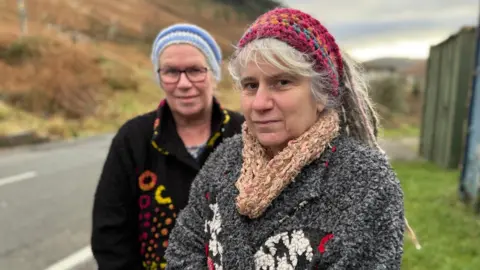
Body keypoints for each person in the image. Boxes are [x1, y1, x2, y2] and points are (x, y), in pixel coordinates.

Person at [164, 8, 419, 269]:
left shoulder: (366, 183)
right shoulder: (225, 160)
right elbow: (184, 248)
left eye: (282, 82)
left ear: (321, 93)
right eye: (251, 85)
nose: (260, 103)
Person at [91, 23, 244, 270]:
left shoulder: (245, 133)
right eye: (171, 71)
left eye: (195, 70)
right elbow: (111, 233)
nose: (183, 84)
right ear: (159, 76)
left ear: (214, 74)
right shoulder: (133, 139)